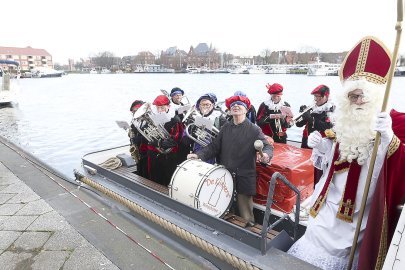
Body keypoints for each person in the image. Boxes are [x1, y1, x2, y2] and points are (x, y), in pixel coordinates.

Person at [287, 36, 405, 270]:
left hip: (365, 209)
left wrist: (390, 139)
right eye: (353, 96)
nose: (359, 101)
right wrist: (324, 149)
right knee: (315, 233)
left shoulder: (397, 123)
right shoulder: (345, 122)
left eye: (364, 96)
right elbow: (338, 163)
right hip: (333, 203)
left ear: (377, 97)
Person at [187, 95, 273, 225]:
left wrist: (265, 155)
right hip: (226, 176)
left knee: (246, 216)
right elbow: (214, 147)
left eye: (240, 104)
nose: (236, 106)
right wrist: (198, 155)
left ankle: (248, 238)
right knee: (224, 210)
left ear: (246, 109)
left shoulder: (254, 129)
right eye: (233, 105)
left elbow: (267, 147)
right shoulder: (226, 127)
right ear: (230, 109)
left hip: (244, 177)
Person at [295, 85, 335, 184]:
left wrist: (311, 119)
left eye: (318, 97)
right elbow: (298, 124)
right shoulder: (312, 107)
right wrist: (302, 115)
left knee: (318, 171)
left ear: (326, 96)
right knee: (305, 166)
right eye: (315, 97)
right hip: (306, 141)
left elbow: (327, 126)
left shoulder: (331, 109)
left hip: (321, 145)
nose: (316, 99)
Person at [146, 95, 184, 186]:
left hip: (169, 156)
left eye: (162, 107)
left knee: (167, 178)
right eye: (157, 108)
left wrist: (158, 143)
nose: (159, 110)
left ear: (168, 106)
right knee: (154, 178)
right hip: (154, 154)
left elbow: (175, 140)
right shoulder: (153, 117)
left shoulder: (175, 120)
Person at [183, 93, 227, 164]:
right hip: (197, 154)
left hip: (214, 156)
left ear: (212, 105)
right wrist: (191, 132)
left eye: (207, 104)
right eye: (202, 105)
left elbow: (226, 138)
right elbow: (185, 142)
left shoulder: (220, 118)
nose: (205, 107)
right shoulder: (193, 120)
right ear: (199, 106)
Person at [128, 100, 148, 177]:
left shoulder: (148, 120)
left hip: (146, 151)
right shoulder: (135, 120)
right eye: (133, 112)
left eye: (135, 111)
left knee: (146, 171)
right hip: (139, 150)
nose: (134, 113)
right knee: (140, 168)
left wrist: (139, 139)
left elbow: (151, 137)